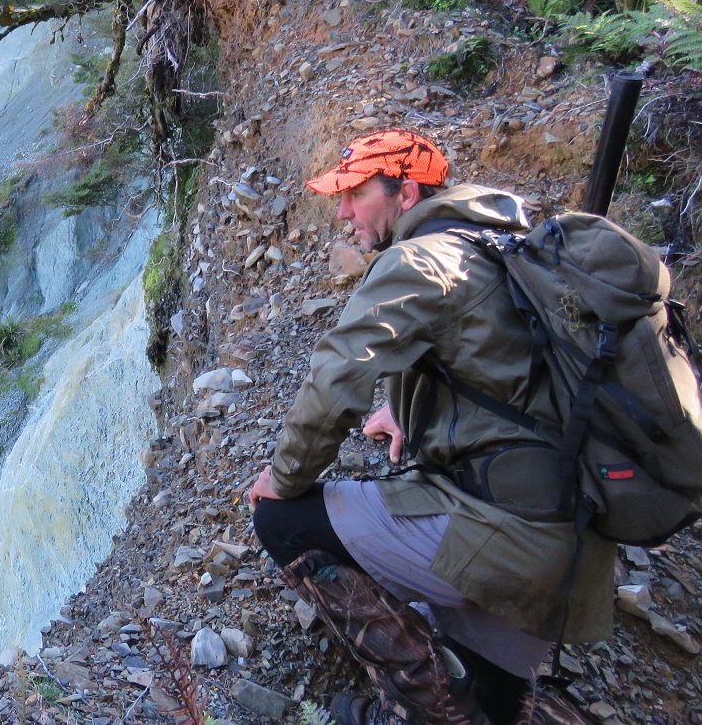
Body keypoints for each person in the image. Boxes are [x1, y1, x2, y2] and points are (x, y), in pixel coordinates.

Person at [247, 129, 608, 725]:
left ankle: (423, 709)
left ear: (406, 192)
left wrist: (284, 479)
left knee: (285, 521)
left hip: (509, 539)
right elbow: (507, 369)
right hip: (574, 541)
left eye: (356, 195)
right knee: (495, 706)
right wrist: (413, 411)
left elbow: (338, 378)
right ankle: (488, 701)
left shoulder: (417, 259)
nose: (343, 212)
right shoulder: (504, 245)